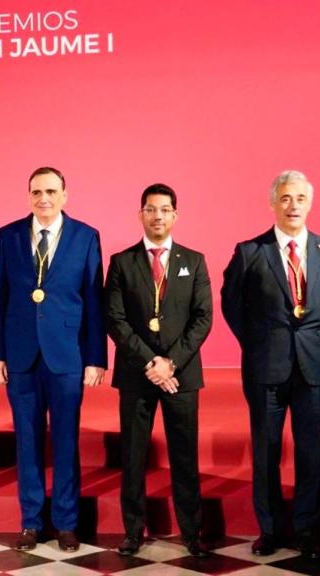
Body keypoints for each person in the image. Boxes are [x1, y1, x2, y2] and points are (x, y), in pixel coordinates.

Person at [221, 170, 320, 558]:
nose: (293, 206)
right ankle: (271, 530)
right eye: (286, 199)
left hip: (313, 365)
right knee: (266, 451)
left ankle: (308, 530)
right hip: (265, 366)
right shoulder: (250, 251)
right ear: (273, 203)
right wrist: (260, 343)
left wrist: (308, 339)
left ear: (310, 203)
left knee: (310, 450)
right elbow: (231, 305)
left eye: (301, 199)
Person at [0, 166, 106, 552]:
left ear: (65, 195)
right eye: (37, 191)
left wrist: (96, 358)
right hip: (21, 356)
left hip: (67, 355)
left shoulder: (86, 237)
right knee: (27, 441)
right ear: (28, 196)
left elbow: (94, 302)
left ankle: (67, 523)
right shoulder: (9, 236)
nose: (44, 199)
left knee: (67, 441)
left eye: (51, 191)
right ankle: (30, 522)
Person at [104, 184, 211, 557]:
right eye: (151, 210)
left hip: (181, 376)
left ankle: (192, 532)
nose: (158, 216)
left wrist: (171, 362)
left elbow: (202, 318)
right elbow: (115, 319)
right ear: (141, 215)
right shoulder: (122, 262)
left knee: (185, 456)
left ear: (175, 215)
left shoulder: (194, 261)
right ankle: (133, 530)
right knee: (133, 457)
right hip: (137, 374)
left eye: (165, 210)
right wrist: (150, 362)